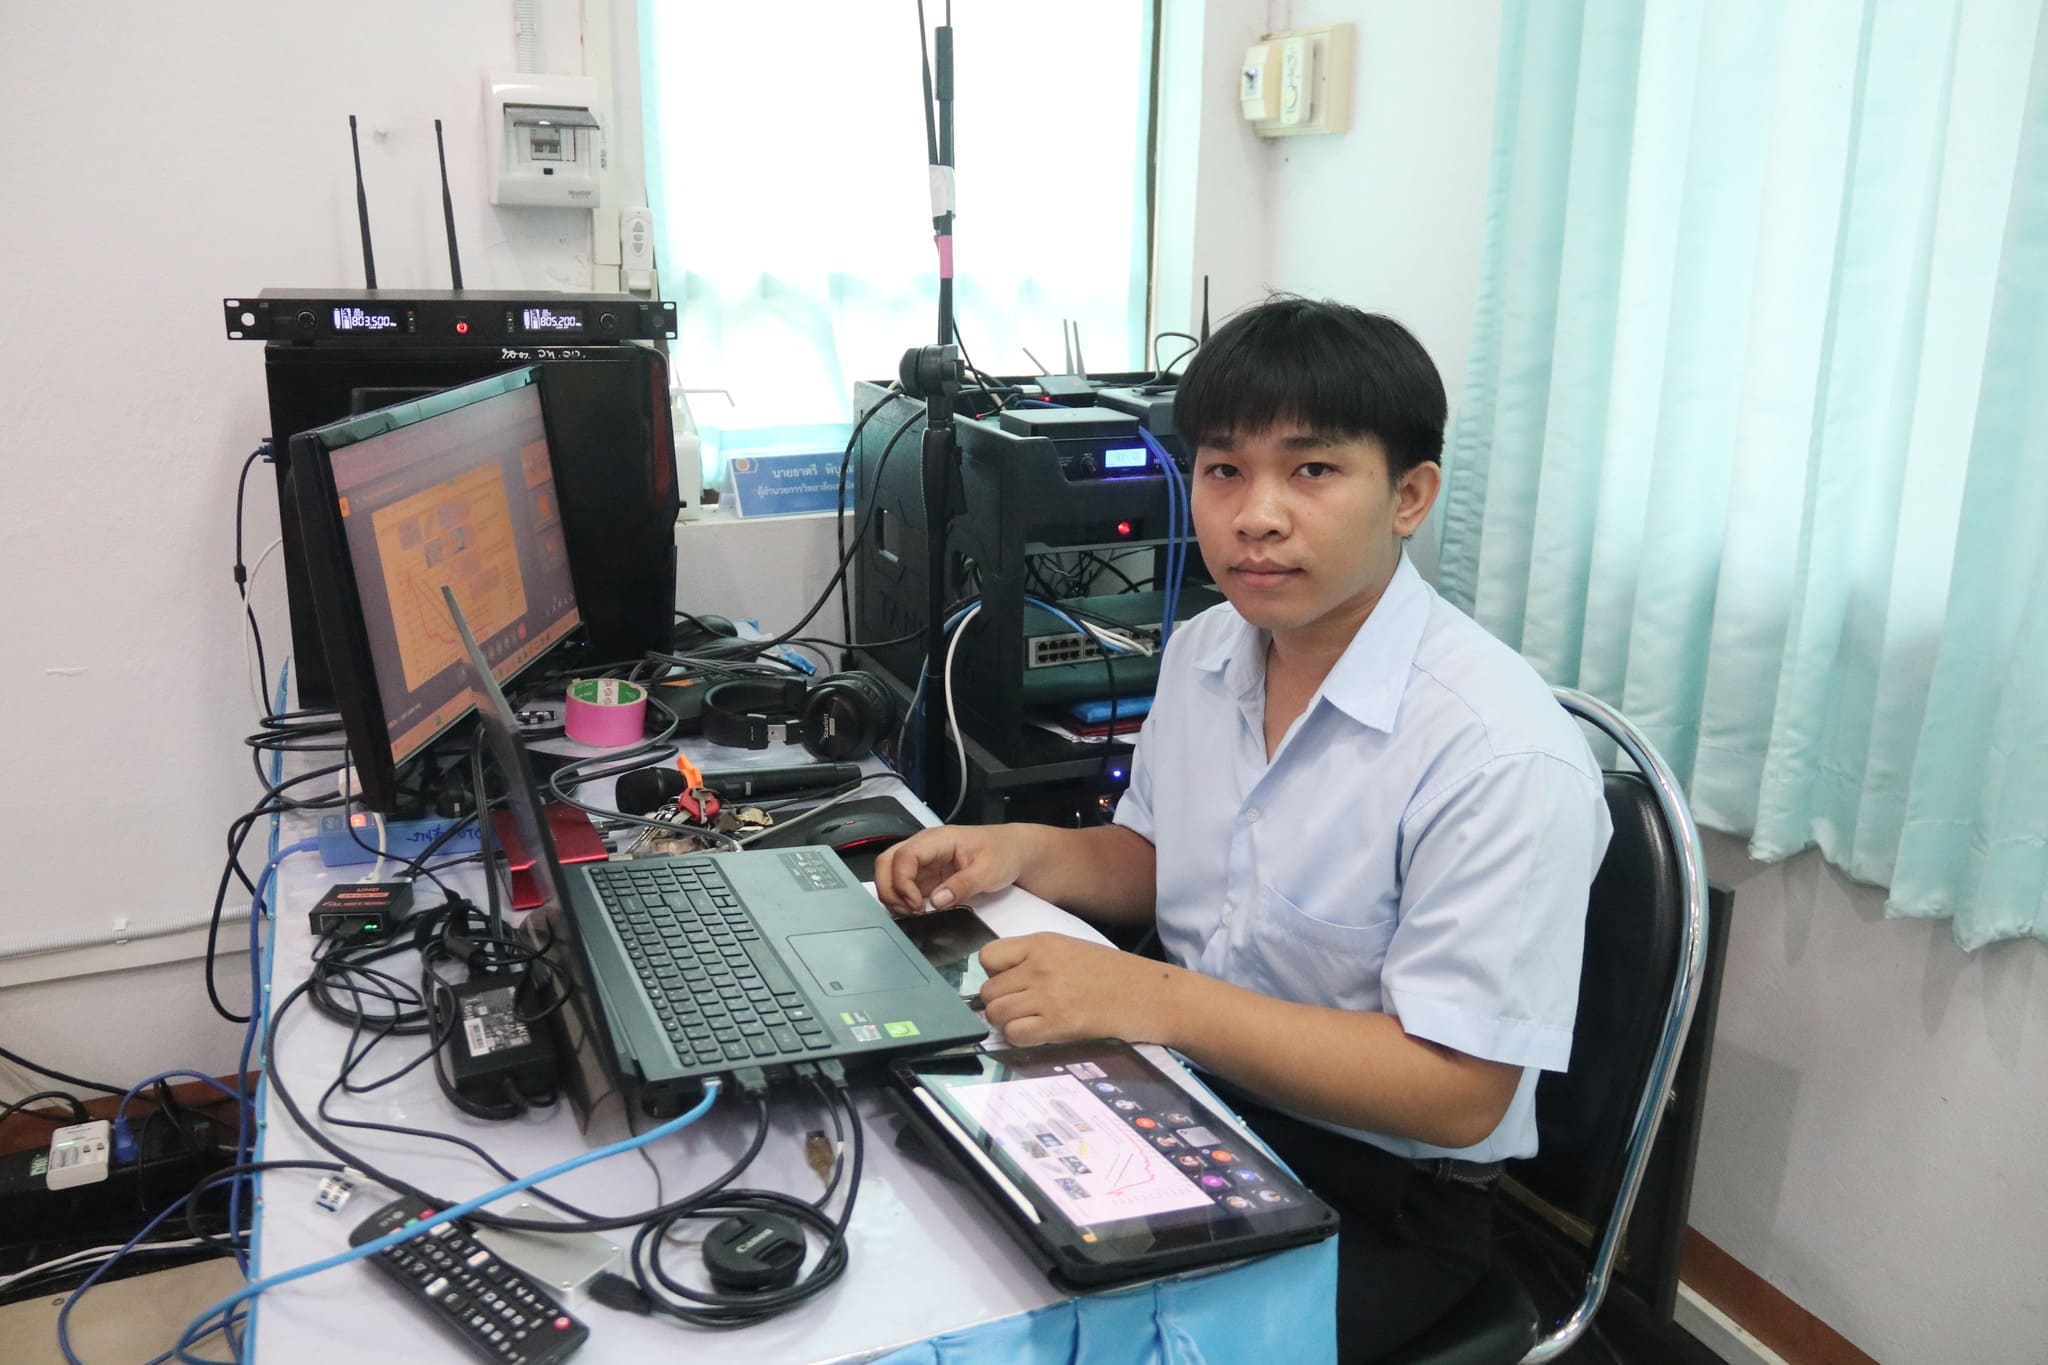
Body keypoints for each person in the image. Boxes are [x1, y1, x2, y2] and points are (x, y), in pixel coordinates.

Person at [875, 296, 1611, 1362]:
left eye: (1311, 470)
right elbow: (1162, 862)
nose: (1255, 516)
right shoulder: (1209, 648)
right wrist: (1022, 852)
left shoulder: (1498, 753)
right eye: (1223, 469)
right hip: (1185, 1097)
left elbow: (1458, 1093)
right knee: (918, 1239)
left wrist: (1153, 999)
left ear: (1408, 496)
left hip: (1379, 1197)